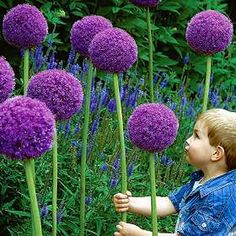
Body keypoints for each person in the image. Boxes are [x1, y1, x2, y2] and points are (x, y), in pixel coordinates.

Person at [112, 108, 236, 236]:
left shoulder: (220, 199)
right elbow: (168, 203)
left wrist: (139, 234)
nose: (188, 140)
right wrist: (130, 203)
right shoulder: (202, 181)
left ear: (216, 153)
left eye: (197, 136)